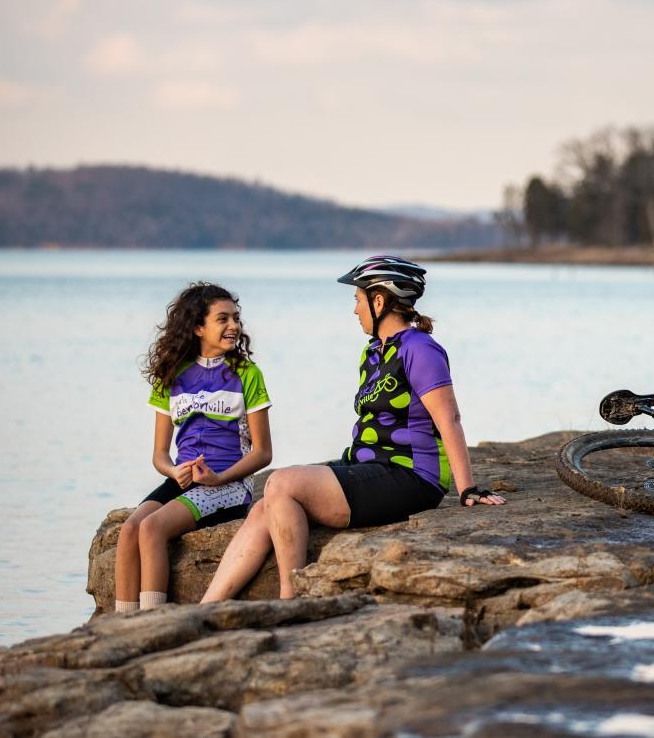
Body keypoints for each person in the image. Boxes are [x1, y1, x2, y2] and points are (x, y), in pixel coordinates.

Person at [202, 255, 504, 602]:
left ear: (380, 301)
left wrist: (467, 489)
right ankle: (206, 607)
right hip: (369, 466)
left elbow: (449, 419)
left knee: (282, 483)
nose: (355, 310)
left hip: (411, 476)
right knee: (264, 507)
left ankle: (290, 598)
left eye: (358, 300)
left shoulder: (421, 350)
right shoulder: (374, 352)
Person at [115, 283, 273, 612]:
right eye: (223, 319)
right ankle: (121, 625)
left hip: (229, 483)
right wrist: (174, 471)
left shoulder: (247, 375)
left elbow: (263, 453)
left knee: (152, 528)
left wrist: (218, 478)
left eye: (236, 318)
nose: (234, 326)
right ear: (198, 327)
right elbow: (160, 454)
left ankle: (151, 624)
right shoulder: (172, 376)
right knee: (129, 530)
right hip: (183, 480)